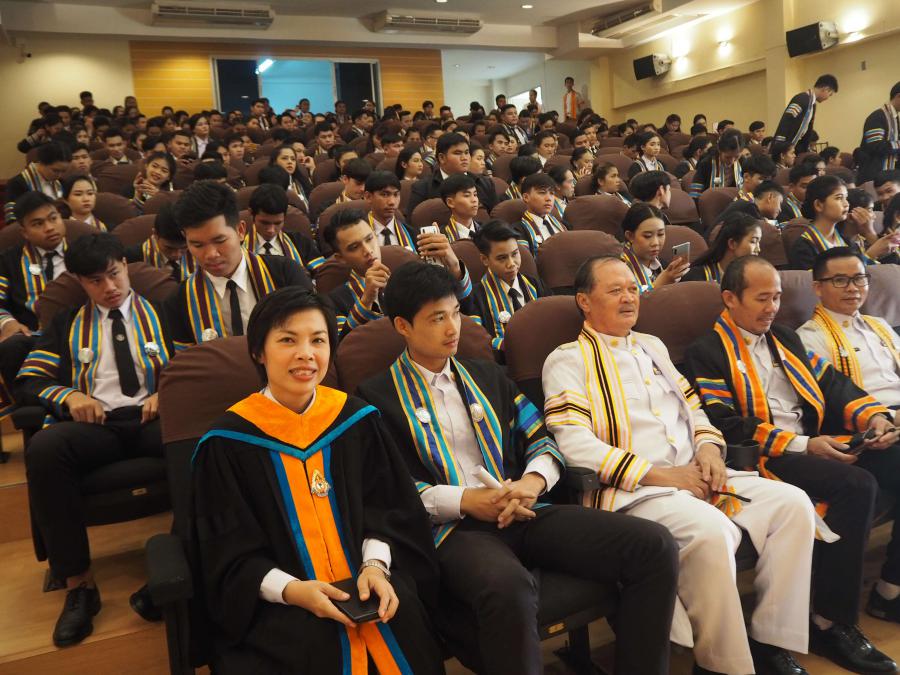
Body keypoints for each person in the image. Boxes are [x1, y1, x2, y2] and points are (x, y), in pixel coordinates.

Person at [357, 261, 678, 675]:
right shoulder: (376, 398)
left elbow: (541, 437)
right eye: (437, 318)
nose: (453, 328)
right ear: (402, 325)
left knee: (654, 545)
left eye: (456, 313)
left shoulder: (487, 375)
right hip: (452, 531)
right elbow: (391, 491)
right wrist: (468, 501)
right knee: (507, 587)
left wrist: (532, 482)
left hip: (522, 508)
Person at [544, 255, 819, 674]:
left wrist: (709, 450)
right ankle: (722, 663)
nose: (628, 298)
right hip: (635, 491)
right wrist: (664, 476)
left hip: (694, 472)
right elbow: (574, 444)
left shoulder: (652, 346)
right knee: (711, 531)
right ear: (584, 301)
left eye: (633, 289)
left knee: (793, 505)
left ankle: (770, 640)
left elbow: (696, 412)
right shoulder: (567, 359)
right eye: (615, 290)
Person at [189, 286, 445, 673]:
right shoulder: (226, 444)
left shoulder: (357, 422)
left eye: (318, 340)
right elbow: (225, 555)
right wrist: (293, 591)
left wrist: (375, 567)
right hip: (280, 606)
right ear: (259, 351)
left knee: (405, 620)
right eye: (288, 340)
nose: (306, 353)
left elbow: (391, 512)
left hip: (371, 587)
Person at [685, 255, 900, 673]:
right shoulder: (705, 352)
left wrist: (874, 416)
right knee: (856, 486)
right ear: (730, 298)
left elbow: (834, 385)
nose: (772, 308)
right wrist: (804, 445)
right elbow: (724, 422)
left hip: (814, 441)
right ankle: (830, 623)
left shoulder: (784, 337)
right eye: (761, 298)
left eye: (778, 297)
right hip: (767, 456)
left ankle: (890, 589)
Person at [17, 233, 175, 647]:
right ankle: (79, 585)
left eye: (114, 274)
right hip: (95, 426)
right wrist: (70, 396)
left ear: (125, 266)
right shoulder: (65, 324)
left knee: (196, 442)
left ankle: (179, 564)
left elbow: (195, 363)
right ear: (79, 282)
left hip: (150, 418)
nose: (109, 287)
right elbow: (31, 380)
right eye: (95, 281)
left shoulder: (163, 312)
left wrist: (167, 391)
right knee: (44, 449)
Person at [164, 181, 312, 349]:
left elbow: (313, 338)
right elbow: (189, 361)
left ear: (240, 231)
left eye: (220, 240)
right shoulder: (179, 301)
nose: (211, 254)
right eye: (197, 245)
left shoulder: (285, 274)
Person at [323, 209, 471, 337]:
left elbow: (463, 309)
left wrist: (454, 265)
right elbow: (341, 346)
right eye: (354, 247)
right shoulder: (334, 301)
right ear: (340, 258)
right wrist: (367, 300)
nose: (368, 250)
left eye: (369, 239)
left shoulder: (410, 279)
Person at [472, 220, 550, 353]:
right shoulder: (476, 297)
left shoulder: (536, 285)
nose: (511, 264)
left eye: (515, 254)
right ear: (485, 259)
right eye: (502, 258)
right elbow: (479, 342)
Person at [789, 175, 893, 269]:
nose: (846, 204)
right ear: (819, 205)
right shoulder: (804, 247)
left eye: (846, 198)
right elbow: (820, 280)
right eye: (839, 198)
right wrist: (870, 255)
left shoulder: (846, 240)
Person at [243, 184, 324, 279]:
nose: (271, 230)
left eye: (277, 223)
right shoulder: (239, 246)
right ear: (251, 213)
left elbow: (322, 275)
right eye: (265, 223)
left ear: (285, 217)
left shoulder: (300, 242)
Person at [407, 132, 499, 216]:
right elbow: (414, 221)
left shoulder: (485, 184)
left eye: (467, 153)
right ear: (442, 158)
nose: (464, 158)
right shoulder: (423, 188)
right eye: (457, 153)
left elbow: (496, 219)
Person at [619, 202, 688, 293]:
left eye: (660, 234)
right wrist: (659, 285)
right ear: (630, 236)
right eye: (647, 236)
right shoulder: (619, 268)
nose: (656, 243)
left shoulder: (663, 264)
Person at [3, 141, 71, 224]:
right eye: (55, 170)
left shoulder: (61, 183)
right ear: (41, 162)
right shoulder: (17, 184)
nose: (59, 175)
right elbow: (12, 220)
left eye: (63, 171)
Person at [124, 203, 194, 281]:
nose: (177, 255)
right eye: (169, 248)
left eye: (184, 247)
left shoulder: (197, 253)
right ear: (155, 234)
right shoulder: (131, 259)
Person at [684, 213, 762, 283]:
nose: (758, 249)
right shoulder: (697, 278)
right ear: (732, 243)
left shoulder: (752, 278)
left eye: (759, 242)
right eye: (753, 241)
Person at [774, 74, 838, 154]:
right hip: (785, 147)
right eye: (830, 94)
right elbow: (786, 121)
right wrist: (779, 145)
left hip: (796, 147)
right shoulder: (802, 99)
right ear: (825, 89)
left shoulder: (812, 104)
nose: (828, 98)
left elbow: (807, 130)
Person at [514, 173, 567, 256]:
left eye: (552, 193)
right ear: (526, 197)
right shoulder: (518, 231)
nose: (549, 198)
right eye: (542, 192)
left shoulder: (561, 224)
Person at [364, 171, 417, 252]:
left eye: (396, 195)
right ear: (368, 197)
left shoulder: (413, 234)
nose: (392, 202)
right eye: (385, 194)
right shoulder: (357, 234)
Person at [858, 82, 900, 184]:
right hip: (874, 176)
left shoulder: (894, 118)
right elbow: (876, 146)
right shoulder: (878, 117)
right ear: (898, 96)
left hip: (888, 174)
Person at [689, 130, 744, 199]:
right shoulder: (706, 163)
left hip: (736, 202)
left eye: (736, 157)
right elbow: (695, 194)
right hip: (710, 202)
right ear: (719, 150)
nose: (732, 161)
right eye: (727, 157)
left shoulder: (743, 162)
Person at [312, 158, 371, 222]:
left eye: (366, 183)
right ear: (345, 179)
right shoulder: (327, 209)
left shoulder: (372, 205)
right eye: (358, 183)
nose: (363, 189)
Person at [716, 181, 784, 231]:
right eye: (780, 203)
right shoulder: (748, 207)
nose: (780, 209)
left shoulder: (747, 203)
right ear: (770, 197)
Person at [268, 144, 312, 212]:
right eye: (284, 158)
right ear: (274, 162)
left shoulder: (302, 181)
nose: (290, 162)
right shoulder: (270, 185)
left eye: (293, 159)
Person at [439, 173, 481, 241]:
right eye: (467, 195)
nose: (474, 200)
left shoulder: (487, 232)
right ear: (450, 202)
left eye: (475, 195)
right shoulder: (442, 237)